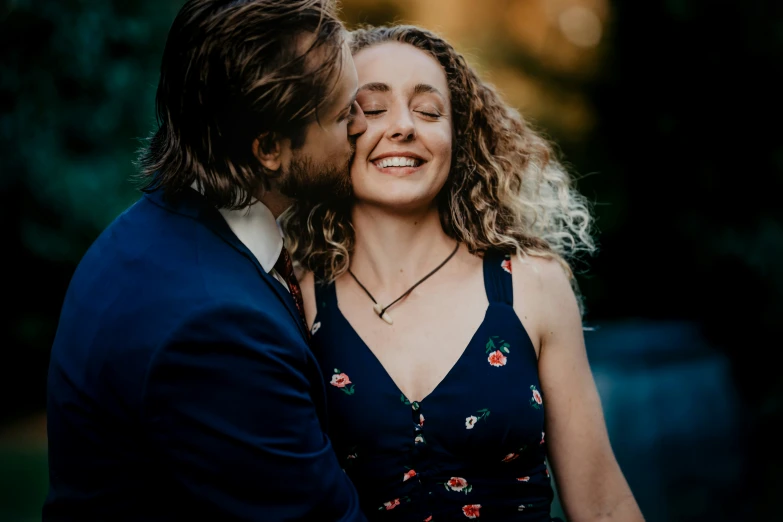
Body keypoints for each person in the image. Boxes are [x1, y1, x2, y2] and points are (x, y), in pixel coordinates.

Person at [284, 25, 645, 521]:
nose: (403, 126)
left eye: (429, 111)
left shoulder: (531, 284)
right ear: (331, 130)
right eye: (370, 109)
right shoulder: (293, 298)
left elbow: (603, 506)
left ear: (459, 137)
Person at [43, 1, 368, 520]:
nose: (361, 126)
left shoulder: (154, 231)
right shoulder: (215, 328)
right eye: (342, 113)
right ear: (269, 149)